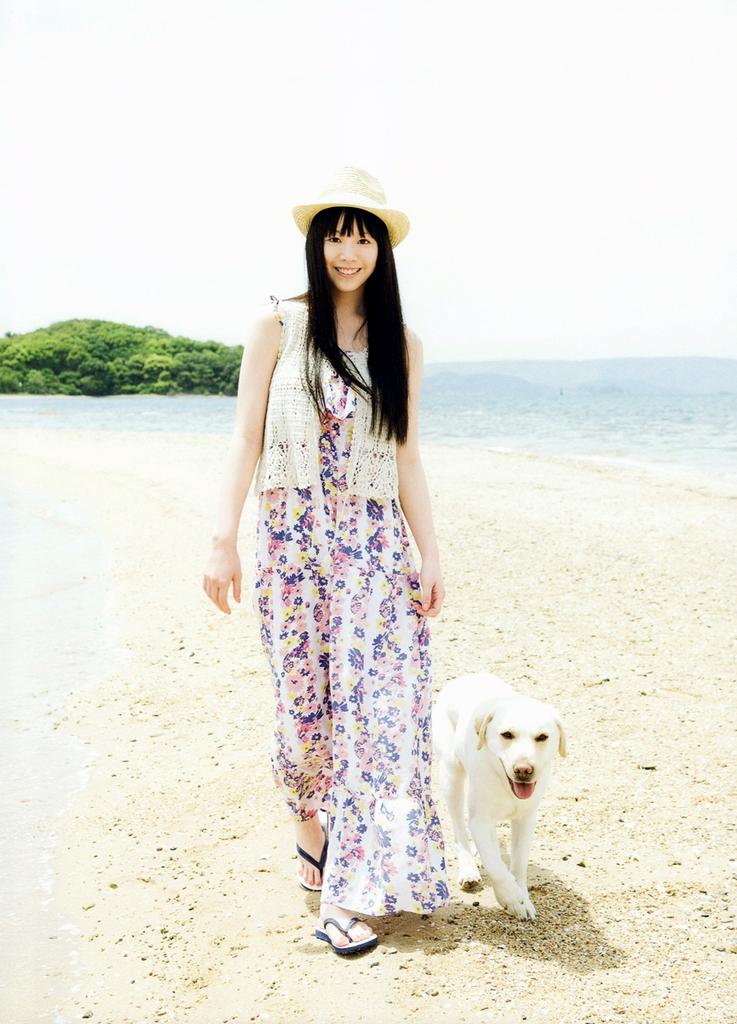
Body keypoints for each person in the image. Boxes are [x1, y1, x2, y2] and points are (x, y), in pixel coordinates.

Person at [203, 167, 449, 954]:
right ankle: (309, 827)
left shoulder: (401, 343)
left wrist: (429, 552)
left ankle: (349, 894)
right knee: (302, 711)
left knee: (379, 716)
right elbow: (244, 437)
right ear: (316, 243)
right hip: (293, 547)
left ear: (382, 249)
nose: (348, 252)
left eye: (363, 237)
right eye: (336, 236)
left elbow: (406, 455)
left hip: (373, 552)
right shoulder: (277, 325)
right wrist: (222, 539)